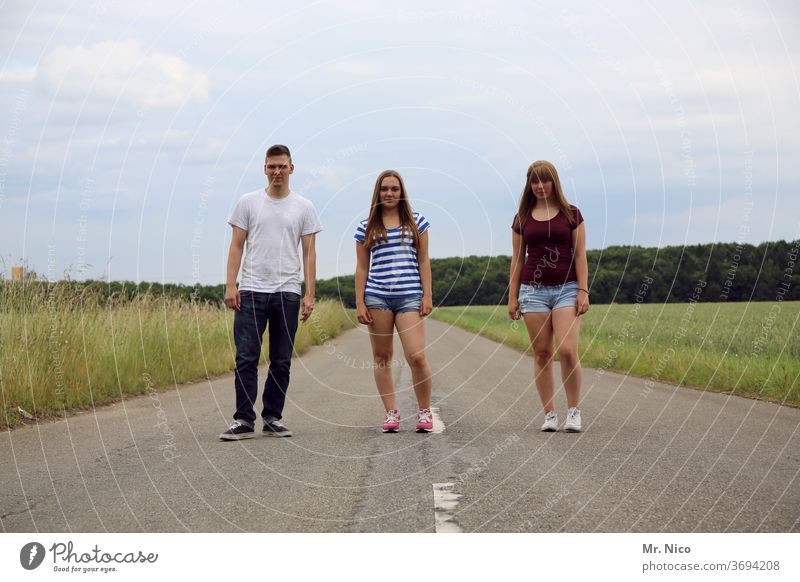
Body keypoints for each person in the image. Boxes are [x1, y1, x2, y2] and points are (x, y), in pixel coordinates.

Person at [219, 144, 322, 440]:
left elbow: (310, 254)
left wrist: (309, 293)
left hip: (287, 292)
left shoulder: (304, 207)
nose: (277, 171)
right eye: (271, 166)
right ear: (264, 169)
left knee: (280, 359)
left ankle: (273, 416)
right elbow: (236, 245)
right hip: (251, 290)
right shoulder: (248, 203)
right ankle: (243, 418)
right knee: (246, 357)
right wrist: (231, 284)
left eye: (282, 166)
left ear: (292, 168)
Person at [508, 160, 589, 432]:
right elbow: (518, 260)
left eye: (545, 180)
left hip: (567, 288)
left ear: (554, 182)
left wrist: (583, 290)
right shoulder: (522, 218)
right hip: (533, 291)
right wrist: (513, 296)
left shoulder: (571, 214)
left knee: (567, 351)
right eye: (534, 181)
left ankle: (574, 411)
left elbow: (580, 255)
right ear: (529, 185)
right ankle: (550, 415)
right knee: (542, 354)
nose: (540, 186)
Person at [354, 170, 434, 433]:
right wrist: (360, 302)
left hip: (410, 296)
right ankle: (391, 413)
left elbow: (424, 261)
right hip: (377, 296)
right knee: (382, 357)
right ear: (378, 193)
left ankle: (424, 412)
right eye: (385, 189)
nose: (389, 193)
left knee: (416, 356)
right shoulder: (366, 227)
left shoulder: (417, 222)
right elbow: (362, 268)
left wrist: (427, 295)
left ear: (402, 193)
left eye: (394, 189)